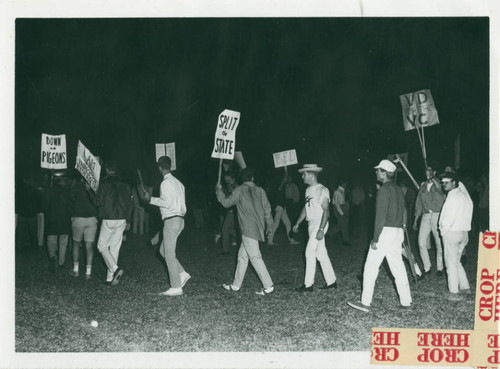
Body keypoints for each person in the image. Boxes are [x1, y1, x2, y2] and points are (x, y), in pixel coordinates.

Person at [348, 159, 411, 312]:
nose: (376, 172)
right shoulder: (397, 189)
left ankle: (365, 302)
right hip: (397, 231)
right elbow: (404, 211)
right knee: (398, 267)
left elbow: (380, 217)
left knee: (370, 266)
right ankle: (406, 301)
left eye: (378, 170)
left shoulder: (383, 190)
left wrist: (375, 238)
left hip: (385, 232)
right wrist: (403, 227)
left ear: (384, 173)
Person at [216, 168, 275, 295]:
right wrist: (270, 226)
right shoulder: (260, 190)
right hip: (258, 227)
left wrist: (219, 191)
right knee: (242, 256)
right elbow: (267, 210)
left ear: (241, 179)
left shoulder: (239, 190)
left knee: (255, 257)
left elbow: (226, 203)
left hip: (247, 228)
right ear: (253, 178)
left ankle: (268, 286)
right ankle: (236, 285)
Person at [142, 156, 190, 296]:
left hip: (171, 220)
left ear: (160, 168)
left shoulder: (165, 183)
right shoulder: (179, 183)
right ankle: (182, 273)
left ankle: (176, 287)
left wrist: (150, 199)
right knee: (163, 250)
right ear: (169, 166)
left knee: (169, 253)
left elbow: (166, 203)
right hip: (180, 220)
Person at [293, 164, 337, 292]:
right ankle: (331, 281)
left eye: (304, 174)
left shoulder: (322, 189)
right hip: (311, 224)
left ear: (311, 175)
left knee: (309, 252)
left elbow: (326, 212)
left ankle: (308, 285)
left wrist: (321, 229)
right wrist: (297, 222)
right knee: (321, 253)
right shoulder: (308, 190)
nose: (302, 176)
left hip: (320, 223)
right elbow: (306, 208)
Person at [96, 161, 133, 286]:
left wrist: (89, 191)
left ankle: (114, 268)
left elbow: (98, 201)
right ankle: (110, 278)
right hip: (122, 218)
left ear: (107, 170)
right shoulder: (126, 184)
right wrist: (128, 219)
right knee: (115, 248)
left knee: (102, 246)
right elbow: (130, 203)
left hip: (109, 217)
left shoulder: (105, 182)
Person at [438, 172, 473, 301]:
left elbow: (448, 218)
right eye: (442, 182)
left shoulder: (452, 197)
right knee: (456, 261)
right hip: (464, 232)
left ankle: (454, 292)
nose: (444, 185)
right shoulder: (464, 196)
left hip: (452, 232)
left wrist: (443, 231)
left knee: (450, 263)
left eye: (447, 182)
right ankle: (465, 287)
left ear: (454, 182)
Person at [413, 166, 445, 278]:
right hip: (425, 216)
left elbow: (440, 190)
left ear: (434, 172)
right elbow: (418, 204)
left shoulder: (440, 184)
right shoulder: (422, 186)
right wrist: (416, 220)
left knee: (438, 243)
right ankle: (427, 267)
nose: (428, 172)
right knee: (421, 242)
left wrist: (432, 177)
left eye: (430, 170)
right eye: (426, 170)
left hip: (437, 215)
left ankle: (440, 268)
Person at [69, 176, 98, 280]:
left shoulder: (76, 185)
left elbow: (71, 199)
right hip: (92, 218)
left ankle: (76, 270)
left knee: (76, 243)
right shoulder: (95, 185)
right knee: (89, 246)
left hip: (79, 218)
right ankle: (88, 273)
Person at [44, 170, 73, 272]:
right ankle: (61, 263)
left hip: (51, 219)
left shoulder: (48, 191)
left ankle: (52, 257)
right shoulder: (67, 191)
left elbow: (44, 206)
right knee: (63, 242)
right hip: (64, 219)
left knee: (51, 241)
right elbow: (70, 206)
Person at [269, 171, 300, 246]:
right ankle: (269, 240)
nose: (288, 179)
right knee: (276, 224)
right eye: (286, 178)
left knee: (288, 223)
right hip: (279, 207)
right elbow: (279, 192)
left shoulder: (283, 187)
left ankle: (291, 239)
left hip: (282, 207)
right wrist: (284, 177)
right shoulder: (279, 187)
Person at [220, 171, 240, 254]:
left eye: (225, 177)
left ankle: (225, 250)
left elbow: (231, 197)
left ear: (230, 177)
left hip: (234, 210)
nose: (224, 178)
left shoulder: (236, 186)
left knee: (225, 229)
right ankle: (243, 239)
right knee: (229, 229)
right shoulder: (229, 185)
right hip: (230, 210)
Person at [330, 180, 351, 246]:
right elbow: (336, 204)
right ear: (341, 183)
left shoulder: (343, 190)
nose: (346, 183)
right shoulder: (337, 192)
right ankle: (345, 241)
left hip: (344, 206)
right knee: (344, 224)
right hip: (338, 208)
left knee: (341, 224)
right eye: (344, 182)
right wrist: (341, 213)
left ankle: (329, 233)